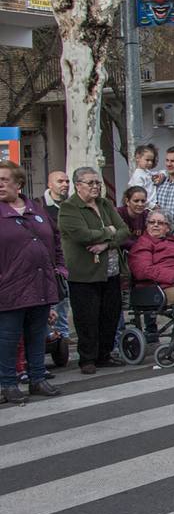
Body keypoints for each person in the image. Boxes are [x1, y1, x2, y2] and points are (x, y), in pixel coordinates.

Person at [0, 160, 64, 403]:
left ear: (19, 184)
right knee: (8, 338)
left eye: (4, 179)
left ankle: (37, 378)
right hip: (9, 286)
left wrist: (60, 268)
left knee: (37, 335)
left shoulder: (35, 208)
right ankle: (7, 384)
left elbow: (55, 239)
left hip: (40, 284)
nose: (0, 184)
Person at [59, 166, 129, 374]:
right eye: (90, 183)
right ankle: (87, 358)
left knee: (110, 314)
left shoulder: (105, 204)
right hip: (85, 273)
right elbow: (82, 235)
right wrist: (108, 232)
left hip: (111, 270)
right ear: (78, 185)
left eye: (97, 182)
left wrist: (106, 243)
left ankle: (104, 354)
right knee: (87, 317)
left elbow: (124, 230)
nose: (96, 187)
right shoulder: (69, 208)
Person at [128, 209, 174, 305]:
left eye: (160, 223)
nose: (155, 225)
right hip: (161, 287)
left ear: (168, 228)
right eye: (151, 222)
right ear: (147, 225)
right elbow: (143, 270)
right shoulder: (143, 243)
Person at [41, 170, 71, 344]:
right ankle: (61, 341)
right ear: (49, 184)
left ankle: (63, 340)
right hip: (54, 264)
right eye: (60, 181)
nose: (65, 184)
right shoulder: (40, 206)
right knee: (58, 304)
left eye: (67, 181)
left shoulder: (72, 204)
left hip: (72, 261)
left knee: (65, 304)